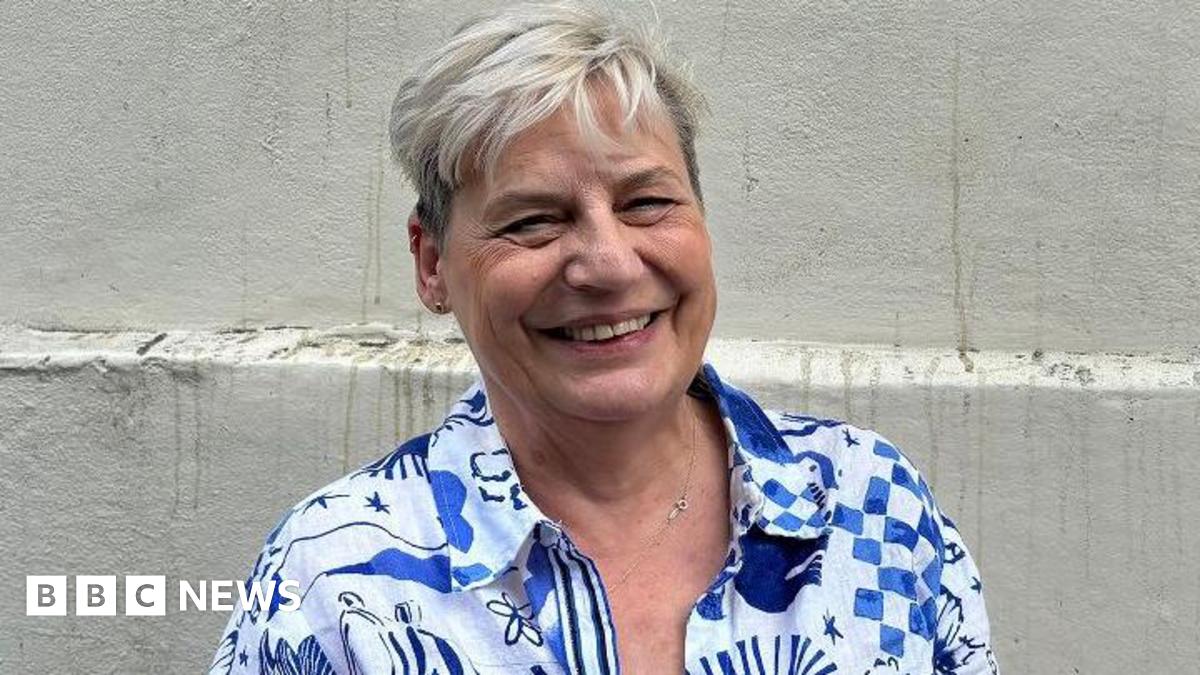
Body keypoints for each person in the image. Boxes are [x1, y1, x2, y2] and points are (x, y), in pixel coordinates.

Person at [208, 3, 996, 673]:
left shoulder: (870, 504)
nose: (610, 264)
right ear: (432, 264)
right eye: (533, 220)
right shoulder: (331, 579)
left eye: (646, 203)